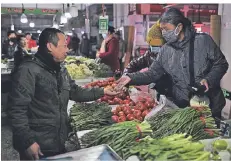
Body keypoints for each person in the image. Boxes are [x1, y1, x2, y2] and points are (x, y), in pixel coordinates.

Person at [7, 28, 120, 160]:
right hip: (37, 144)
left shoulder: (60, 69)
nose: (67, 50)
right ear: (50, 46)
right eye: (64, 46)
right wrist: (28, 142)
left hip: (57, 141)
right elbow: (16, 110)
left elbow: (75, 92)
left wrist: (103, 91)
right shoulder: (28, 71)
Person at [116, 8, 229, 120]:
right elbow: (153, 73)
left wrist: (208, 79)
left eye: (166, 29)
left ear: (179, 27)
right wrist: (130, 78)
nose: (164, 33)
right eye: (162, 30)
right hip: (184, 109)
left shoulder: (203, 41)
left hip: (210, 106)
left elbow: (221, 64)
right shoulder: (166, 50)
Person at [123, 20, 172, 100]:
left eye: (157, 46)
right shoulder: (150, 55)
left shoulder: (173, 56)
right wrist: (126, 76)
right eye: (152, 45)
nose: (154, 48)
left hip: (171, 94)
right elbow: (133, 65)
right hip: (156, 91)